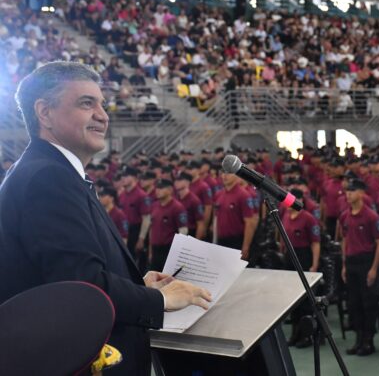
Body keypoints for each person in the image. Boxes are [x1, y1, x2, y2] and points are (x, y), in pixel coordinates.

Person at [0, 62, 212, 376]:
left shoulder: (51, 170)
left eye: (102, 104)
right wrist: (158, 299)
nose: (103, 114)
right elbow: (80, 284)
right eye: (87, 103)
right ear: (44, 113)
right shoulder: (48, 177)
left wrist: (137, 285)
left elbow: (70, 268)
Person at [340, 178, 379, 356]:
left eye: (352, 191)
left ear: (361, 193)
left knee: (369, 303)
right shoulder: (345, 215)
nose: (348, 195)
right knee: (354, 303)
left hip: (366, 261)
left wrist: (374, 268)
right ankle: (358, 339)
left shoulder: (371, 216)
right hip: (351, 262)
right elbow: (345, 240)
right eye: (347, 192)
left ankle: (368, 340)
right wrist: (344, 264)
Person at [281, 188, 321, 348]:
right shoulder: (285, 216)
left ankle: (306, 336)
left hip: (303, 257)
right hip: (289, 257)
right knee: (293, 299)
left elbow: (316, 243)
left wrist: (314, 264)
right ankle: (295, 333)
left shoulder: (308, 218)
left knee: (304, 300)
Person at [213, 168, 259, 258]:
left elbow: (250, 223)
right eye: (223, 173)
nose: (225, 176)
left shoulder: (244, 195)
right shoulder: (219, 194)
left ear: (237, 175)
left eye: (229, 173)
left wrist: (245, 247)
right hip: (221, 239)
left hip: (236, 240)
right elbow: (216, 219)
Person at [149, 179, 188, 272]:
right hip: (155, 249)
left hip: (169, 249)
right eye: (157, 188)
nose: (157, 191)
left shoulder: (177, 207)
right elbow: (152, 229)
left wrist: (177, 253)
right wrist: (150, 251)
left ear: (170, 190)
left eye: (161, 188)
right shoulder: (154, 206)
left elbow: (183, 231)